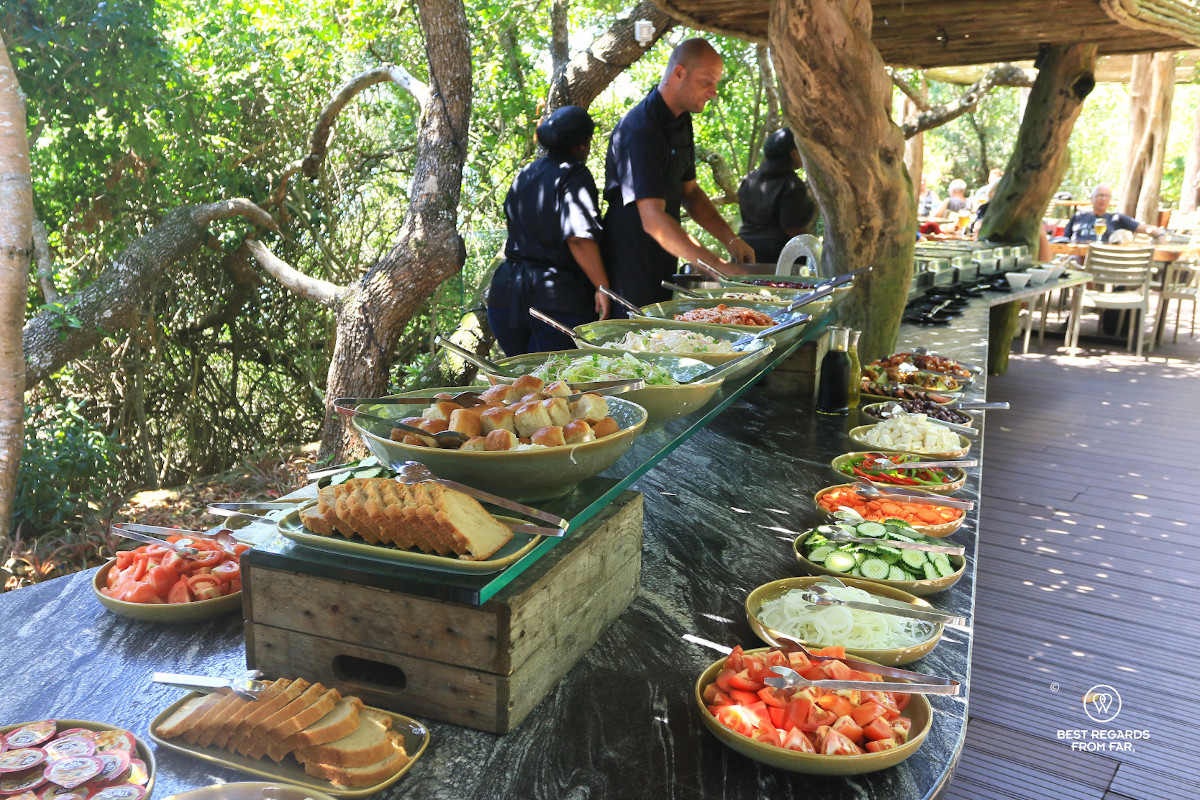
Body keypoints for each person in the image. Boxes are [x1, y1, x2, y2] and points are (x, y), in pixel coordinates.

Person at [601, 38, 755, 310]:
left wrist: (731, 240)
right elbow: (653, 220)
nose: (714, 92)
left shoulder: (681, 119)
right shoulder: (641, 129)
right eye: (707, 81)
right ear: (679, 73)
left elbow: (691, 193)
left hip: (663, 262)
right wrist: (717, 267)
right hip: (629, 268)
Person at [486, 105, 611, 356]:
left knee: (521, 386)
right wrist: (602, 287)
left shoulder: (526, 173)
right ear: (582, 145)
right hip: (556, 302)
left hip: (504, 295)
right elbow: (578, 238)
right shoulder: (575, 175)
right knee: (553, 387)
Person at [735, 128, 817, 265]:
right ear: (793, 153)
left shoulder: (749, 179)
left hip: (744, 251)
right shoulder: (792, 185)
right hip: (778, 256)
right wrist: (813, 246)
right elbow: (791, 228)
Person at [1060, 183, 1163, 243]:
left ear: (1110, 199)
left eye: (1106, 196)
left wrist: (1160, 235)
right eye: (1099, 195)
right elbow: (1065, 239)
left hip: (1102, 260)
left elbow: (1149, 229)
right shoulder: (1079, 216)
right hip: (1075, 260)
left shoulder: (1116, 218)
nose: (1103, 199)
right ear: (1092, 198)